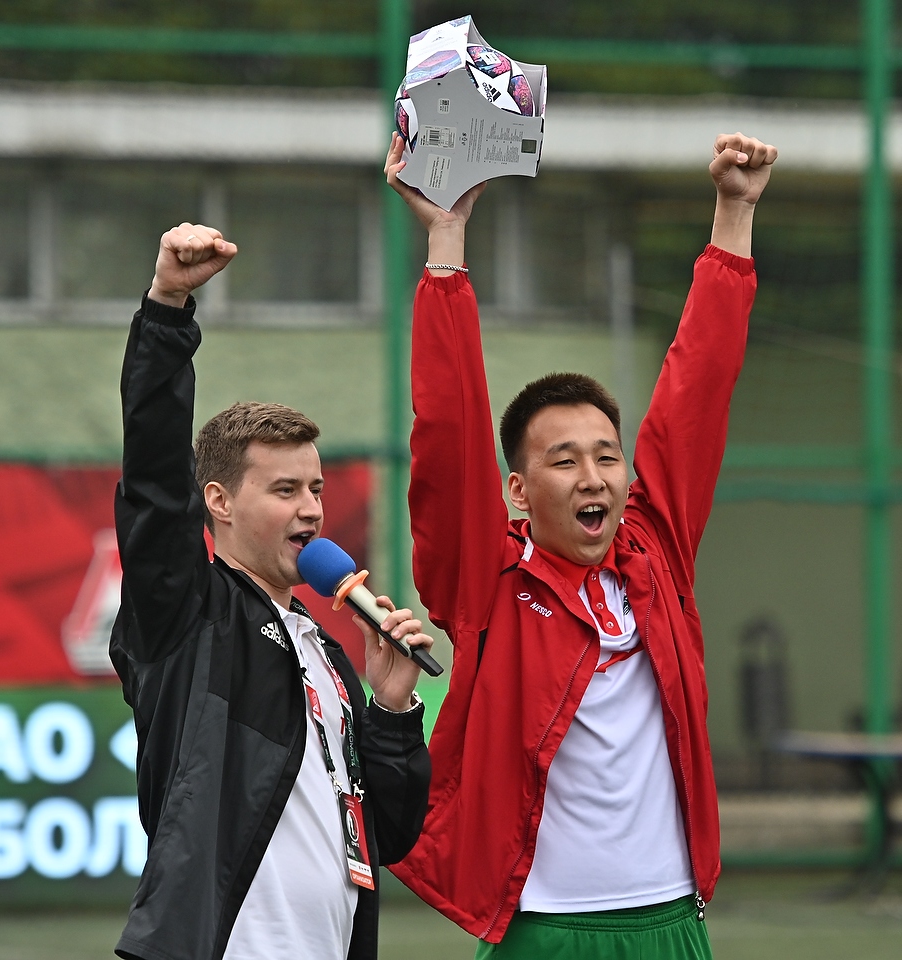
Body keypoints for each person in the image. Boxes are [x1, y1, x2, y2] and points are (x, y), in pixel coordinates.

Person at [383, 131, 777, 958]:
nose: (593, 477)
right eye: (564, 461)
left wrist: (734, 213)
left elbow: (698, 387)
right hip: (544, 933)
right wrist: (446, 241)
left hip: (672, 924)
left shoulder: (655, 552)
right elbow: (448, 434)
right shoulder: (487, 582)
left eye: (606, 457)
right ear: (518, 492)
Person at [109, 223, 434, 960]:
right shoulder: (189, 615)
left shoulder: (327, 654)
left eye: (316, 489)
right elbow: (155, 482)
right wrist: (166, 310)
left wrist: (391, 712)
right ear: (219, 501)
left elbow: (389, 834)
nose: (311, 509)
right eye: (285, 490)